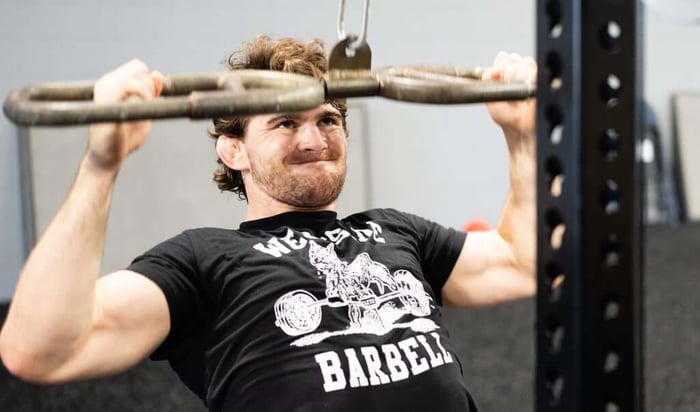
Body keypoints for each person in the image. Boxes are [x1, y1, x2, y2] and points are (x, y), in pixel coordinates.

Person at [0, 36, 537, 411]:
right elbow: (40, 351)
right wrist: (102, 164)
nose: (313, 139)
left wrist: (523, 135)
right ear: (233, 149)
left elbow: (525, 263)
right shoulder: (203, 260)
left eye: (328, 119)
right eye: (285, 122)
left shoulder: (396, 231)